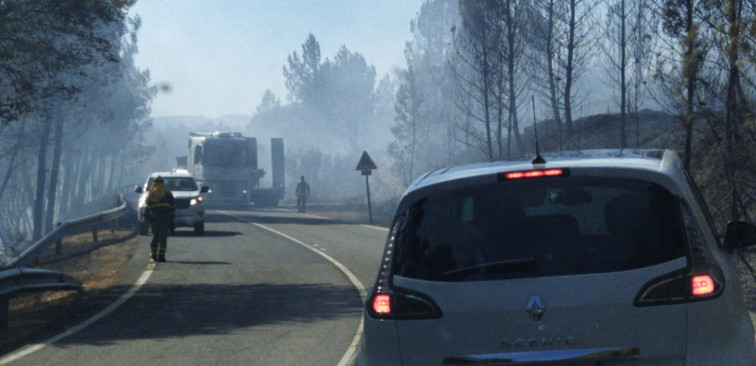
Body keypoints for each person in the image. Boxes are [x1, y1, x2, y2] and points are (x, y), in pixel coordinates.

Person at [145, 175, 175, 262]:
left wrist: (148, 218)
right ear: (163, 183)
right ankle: (161, 256)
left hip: (154, 219)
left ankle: (154, 255)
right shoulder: (168, 194)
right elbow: (173, 207)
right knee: (163, 237)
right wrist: (171, 220)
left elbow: (147, 209)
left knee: (155, 236)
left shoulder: (151, 194)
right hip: (165, 219)